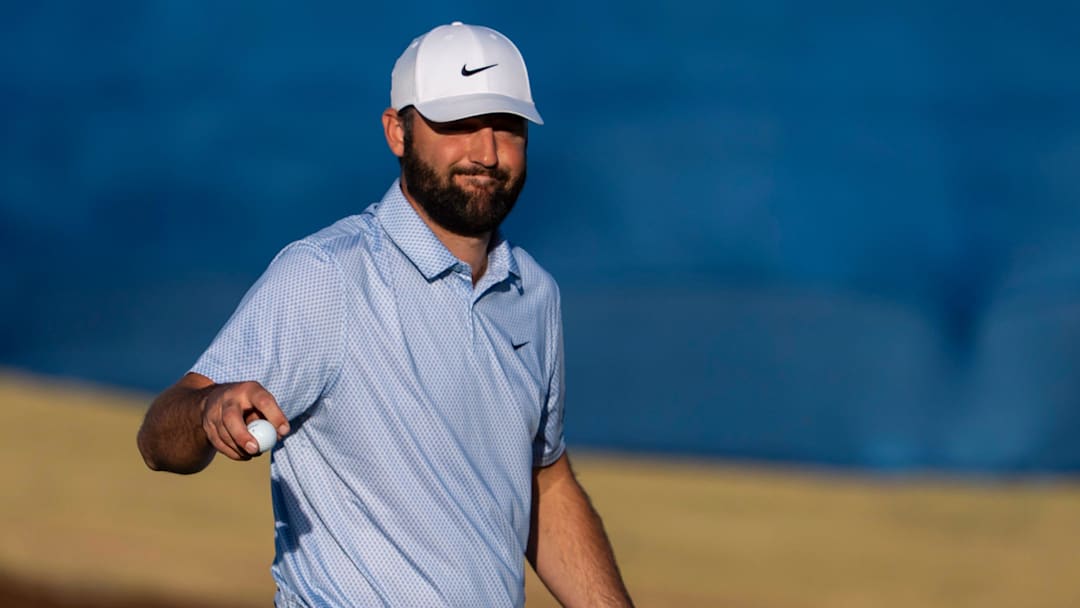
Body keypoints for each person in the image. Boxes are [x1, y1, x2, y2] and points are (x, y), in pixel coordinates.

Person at [136, 21, 634, 608]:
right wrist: (204, 410)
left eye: (507, 127)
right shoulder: (326, 275)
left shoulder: (534, 294)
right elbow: (157, 440)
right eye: (456, 125)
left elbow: (543, 480)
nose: (487, 152)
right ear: (398, 131)